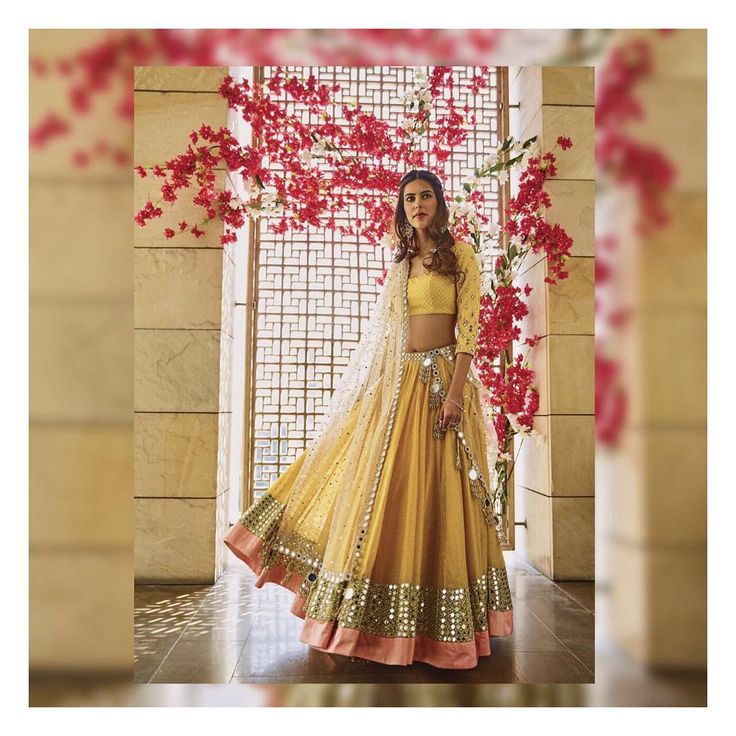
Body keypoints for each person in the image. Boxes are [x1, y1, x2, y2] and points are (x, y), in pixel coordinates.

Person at [224, 169, 514, 670]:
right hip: (399, 384)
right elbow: (388, 335)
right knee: (383, 488)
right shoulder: (401, 265)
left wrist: (454, 396)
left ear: (439, 204)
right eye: (409, 199)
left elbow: (468, 332)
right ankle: (371, 617)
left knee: (441, 493)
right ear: (402, 210)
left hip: (445, 386)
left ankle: (442, 625)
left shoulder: (461, 256)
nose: (417, 204)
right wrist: (375, 391)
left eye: (425, 196)